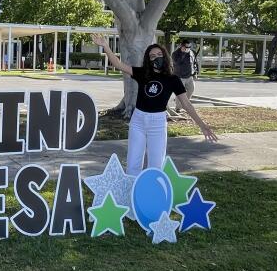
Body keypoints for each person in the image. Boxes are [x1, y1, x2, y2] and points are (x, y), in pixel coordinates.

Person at [92, 34, 218, 174]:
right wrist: (105, 46)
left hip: (157, 122)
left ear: (164, 56)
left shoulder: (172, 79)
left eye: (159, 54)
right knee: (133, 162)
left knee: (156, 164)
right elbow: (118, 64)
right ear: (148, 59)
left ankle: (152, 194)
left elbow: (187, 104)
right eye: (152, 56)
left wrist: (202, 125)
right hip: (138, 120)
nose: (156, 57)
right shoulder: (143, 73)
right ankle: (132, 194)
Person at [170, 39, 197, 116]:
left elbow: (193, 63)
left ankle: (184, 105)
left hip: (189, 76)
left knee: (191, 90)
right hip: (179, 76)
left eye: (189, 47)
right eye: (186, 47)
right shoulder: (175, 54)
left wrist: (194, 73)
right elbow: (177, 63)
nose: (188, 48)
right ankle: (178, 108)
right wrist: (183, 53)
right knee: (180, 93)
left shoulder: (191, 52)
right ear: (181, 46)